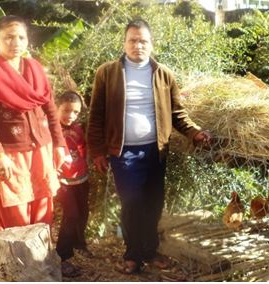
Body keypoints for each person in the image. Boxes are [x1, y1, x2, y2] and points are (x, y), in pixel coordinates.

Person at [86, 19, 212, 274]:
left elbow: (178, 113)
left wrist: (194, 132)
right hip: (124, 152)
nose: (138, 45)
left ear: (151, 44)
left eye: (143, 41)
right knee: (132, 202)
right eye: (132, 40)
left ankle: (150, 250)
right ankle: (133, 254)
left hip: (156, 151)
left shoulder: (163, 74)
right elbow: (96, 115)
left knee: (153, 203)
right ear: (124, 43)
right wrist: (97, 151)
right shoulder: (107, 73)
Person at [0, 15, 66, 236]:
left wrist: (59, 144)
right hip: (10, 153)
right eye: (9, 37)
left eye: (21, 37)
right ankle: (18, 266)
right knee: (15, 210)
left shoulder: (35, 68)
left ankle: (42, 260)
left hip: (42, 149)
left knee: (43, 207)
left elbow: (50, 108)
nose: (16, 43)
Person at [55, 90, 92, 277]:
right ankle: (62, 256)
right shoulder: (50, 129)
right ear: (56, 108)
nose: (71, 115)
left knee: (83, 212)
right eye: (66, 110)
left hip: (81, 178)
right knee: (71, 215)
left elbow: (83, 148)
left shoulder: (78, 127)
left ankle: (79, 243)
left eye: (75, 112)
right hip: (62, 181)